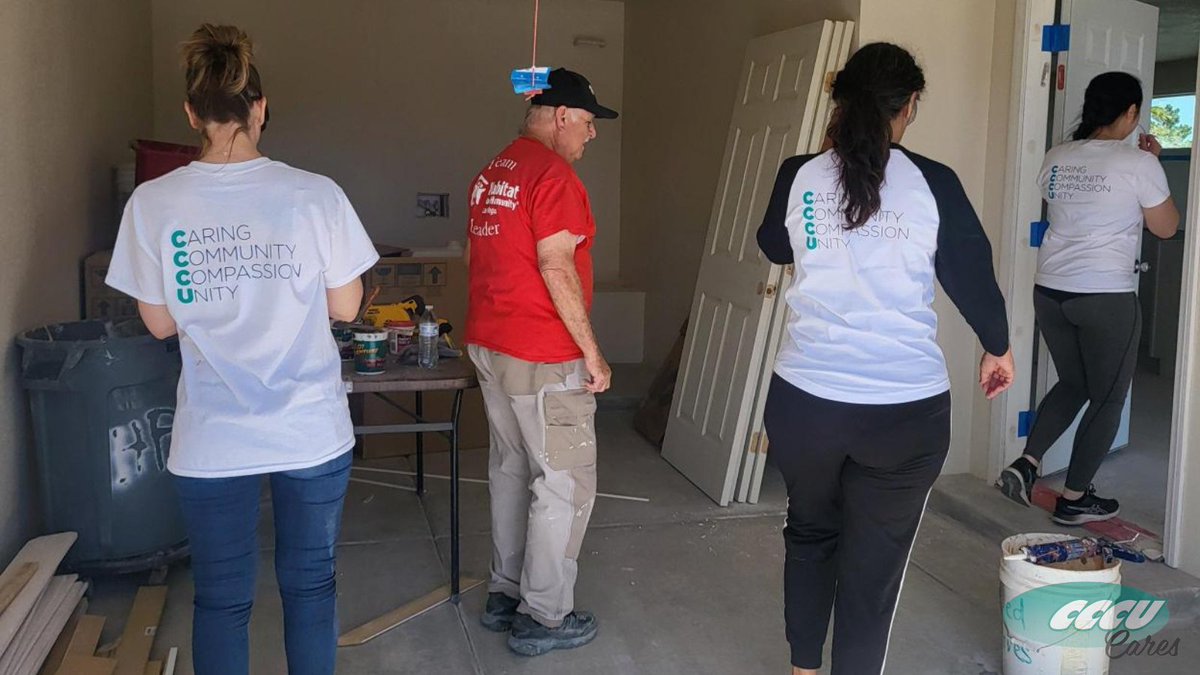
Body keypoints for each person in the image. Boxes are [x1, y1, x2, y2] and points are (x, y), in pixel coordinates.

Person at [105, 24, 378, 675]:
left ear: (192, 113)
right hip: (309, 425)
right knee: (310, 585)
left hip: (211, 434)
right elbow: (345, 307)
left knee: (222, 599)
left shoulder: (153, 203)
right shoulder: (316, 194)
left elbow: (161, 323)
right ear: (260, 109)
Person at [756, 43, 1015, 675]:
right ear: (909, 107)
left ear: (839, 102)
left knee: (810, 533)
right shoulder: (935, 182)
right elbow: (971, 275)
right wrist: (996, 346)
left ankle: (802, 670)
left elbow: (772, 244)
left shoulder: (799, 174)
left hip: (805, 404)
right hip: (903, 413)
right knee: (874, 568)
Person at [464, 67, 617, 657]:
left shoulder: (491, 172)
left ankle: (505, 593)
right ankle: (545, 616)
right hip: (542, 352)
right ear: (559, 117)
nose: (591, 135)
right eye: (586, 122)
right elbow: (555, 266)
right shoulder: (553, 175)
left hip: (490, 342)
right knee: (563, 483)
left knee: (509, 469)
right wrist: (592, 352)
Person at [997, 72, 1180, 524]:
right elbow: (1166, 227)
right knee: (1108, 398)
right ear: (1132, 113)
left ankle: (1027, 463)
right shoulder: (1139, 164)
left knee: (1075, 382)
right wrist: (1151, 164)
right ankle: (1076, 498)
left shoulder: (1056, 157)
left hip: (1052, 291)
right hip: (1105, 296)